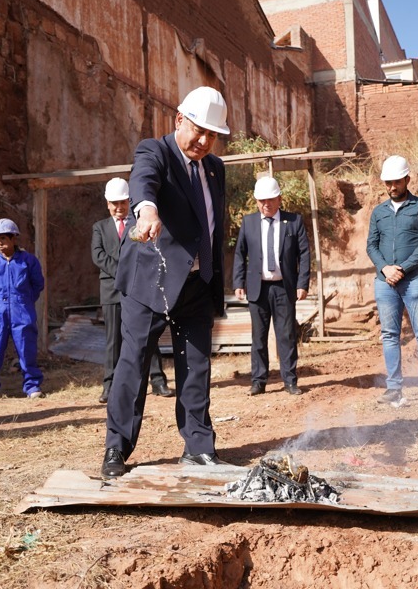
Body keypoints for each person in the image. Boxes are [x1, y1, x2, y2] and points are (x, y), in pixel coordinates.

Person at [101, 86, 229, 478]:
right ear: (179, 121)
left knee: (196, 366)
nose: (205, 141)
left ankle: (198, 447)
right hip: (150, 281)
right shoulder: (155, 151)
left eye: (213, 134)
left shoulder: (214, 168)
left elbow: (210, 225)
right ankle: (116, 449)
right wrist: (147, 210)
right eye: (198, 131)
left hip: (195, 283)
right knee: (133, 362)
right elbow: (144, 182)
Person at [91, 177, 174, 404]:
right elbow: (98, 256)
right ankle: (110, 386)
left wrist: (132, 275)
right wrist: (124, 272)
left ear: (129, 201)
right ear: (107, 203)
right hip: (111, 292)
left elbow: (148, 253)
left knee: (148, 336)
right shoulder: (99, 228)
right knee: (113, 341)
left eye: (123, 202)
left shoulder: (140, 224)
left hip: (139, 291)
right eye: (114, 203)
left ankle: (158, 381)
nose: (119, 208)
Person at [366, 155, 418, 407]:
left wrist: (403, 269)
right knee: (389, 334)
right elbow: (371, 245)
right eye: (387, 183)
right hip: (385, 282)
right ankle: (394, 388)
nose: (391, 187)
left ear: (407, 179)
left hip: (415, 279)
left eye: (396, 182)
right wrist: (385, 268)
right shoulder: (379, 212)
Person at [233, 175, 310, 396]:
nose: (266, 204)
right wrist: (239, 282)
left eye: (270, 199)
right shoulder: (248, 223)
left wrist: (302, 283)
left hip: (284, 288)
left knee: (286, 335)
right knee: (258, 336)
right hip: (258, 288)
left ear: (279, 199)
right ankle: (258, 380)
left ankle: (290, 381)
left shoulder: (293, 222)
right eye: (261, 200)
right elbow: (240, 254)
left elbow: (304, 255)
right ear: (256, 201)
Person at [0, 218, 46, 399]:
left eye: (4, 238)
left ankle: (32, 386)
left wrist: (24, 300)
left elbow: (38, 284)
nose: (0, 242)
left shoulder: (28, 261)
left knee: (26, 348)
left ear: (14, 239)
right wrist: (0, 302)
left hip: (22, 310)